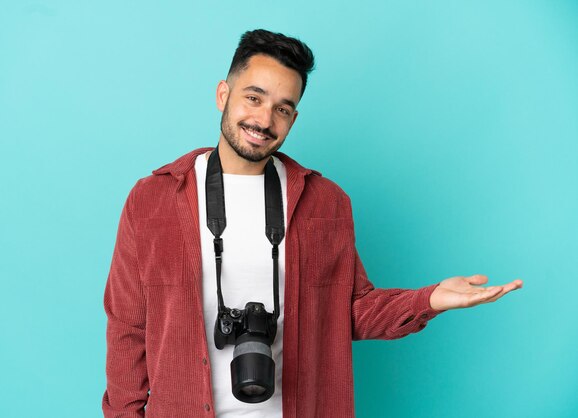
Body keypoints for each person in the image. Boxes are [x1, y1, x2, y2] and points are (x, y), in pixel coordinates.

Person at [101, 29, 523, 418]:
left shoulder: (325, 202)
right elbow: (127, 328)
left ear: (293, 118)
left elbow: (352, 311)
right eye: (253, 98)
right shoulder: (153, 199)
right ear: (222, 94)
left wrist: (429, 300)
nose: (264, 121)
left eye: (282, 108)